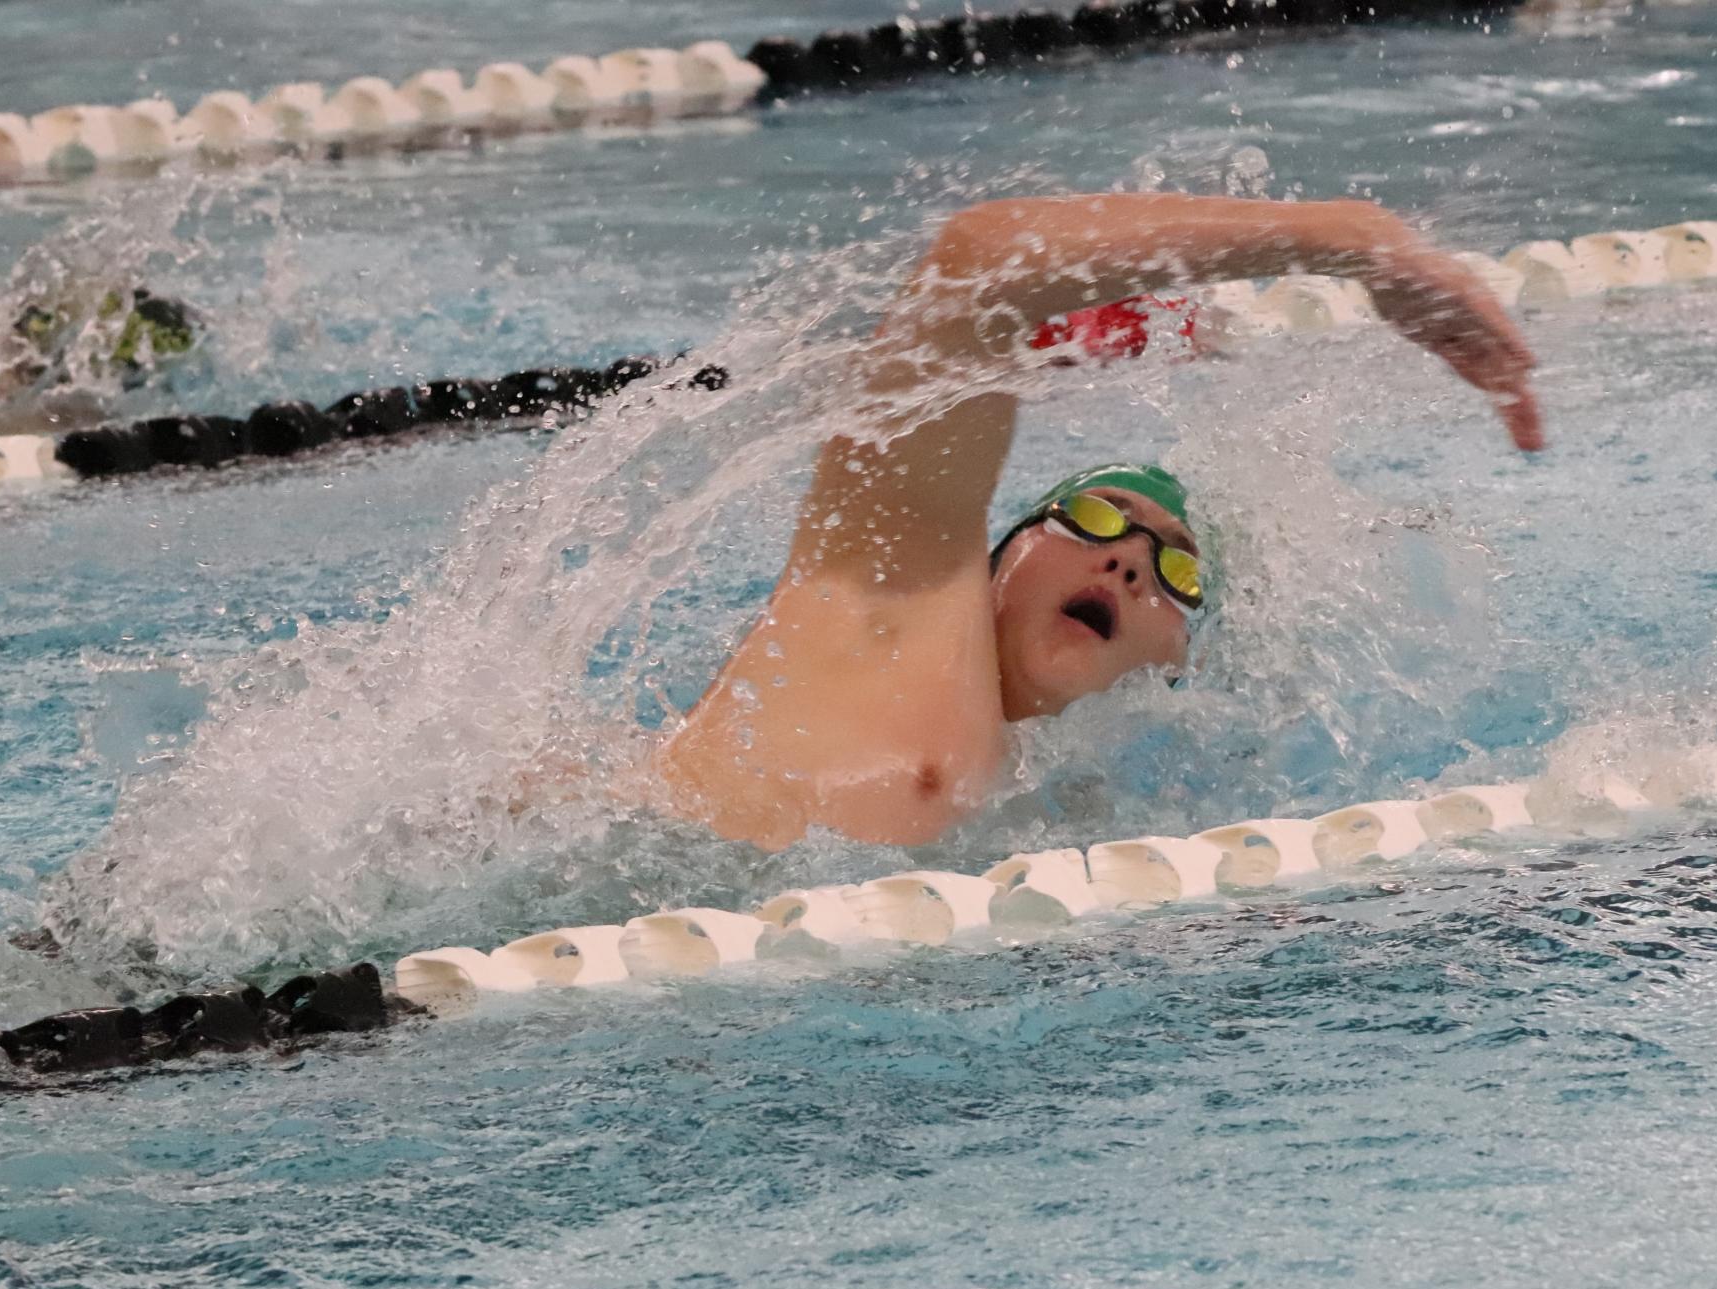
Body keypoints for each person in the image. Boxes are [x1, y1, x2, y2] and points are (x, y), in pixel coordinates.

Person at [647, 192, 1543, 850]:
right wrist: (1350, 242)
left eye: (1176, 573)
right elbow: (977, 263)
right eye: (1092, 518)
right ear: (999, 557)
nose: (1127, 565)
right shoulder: (892, 600)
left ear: (1176, 665)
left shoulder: (1070, 837)